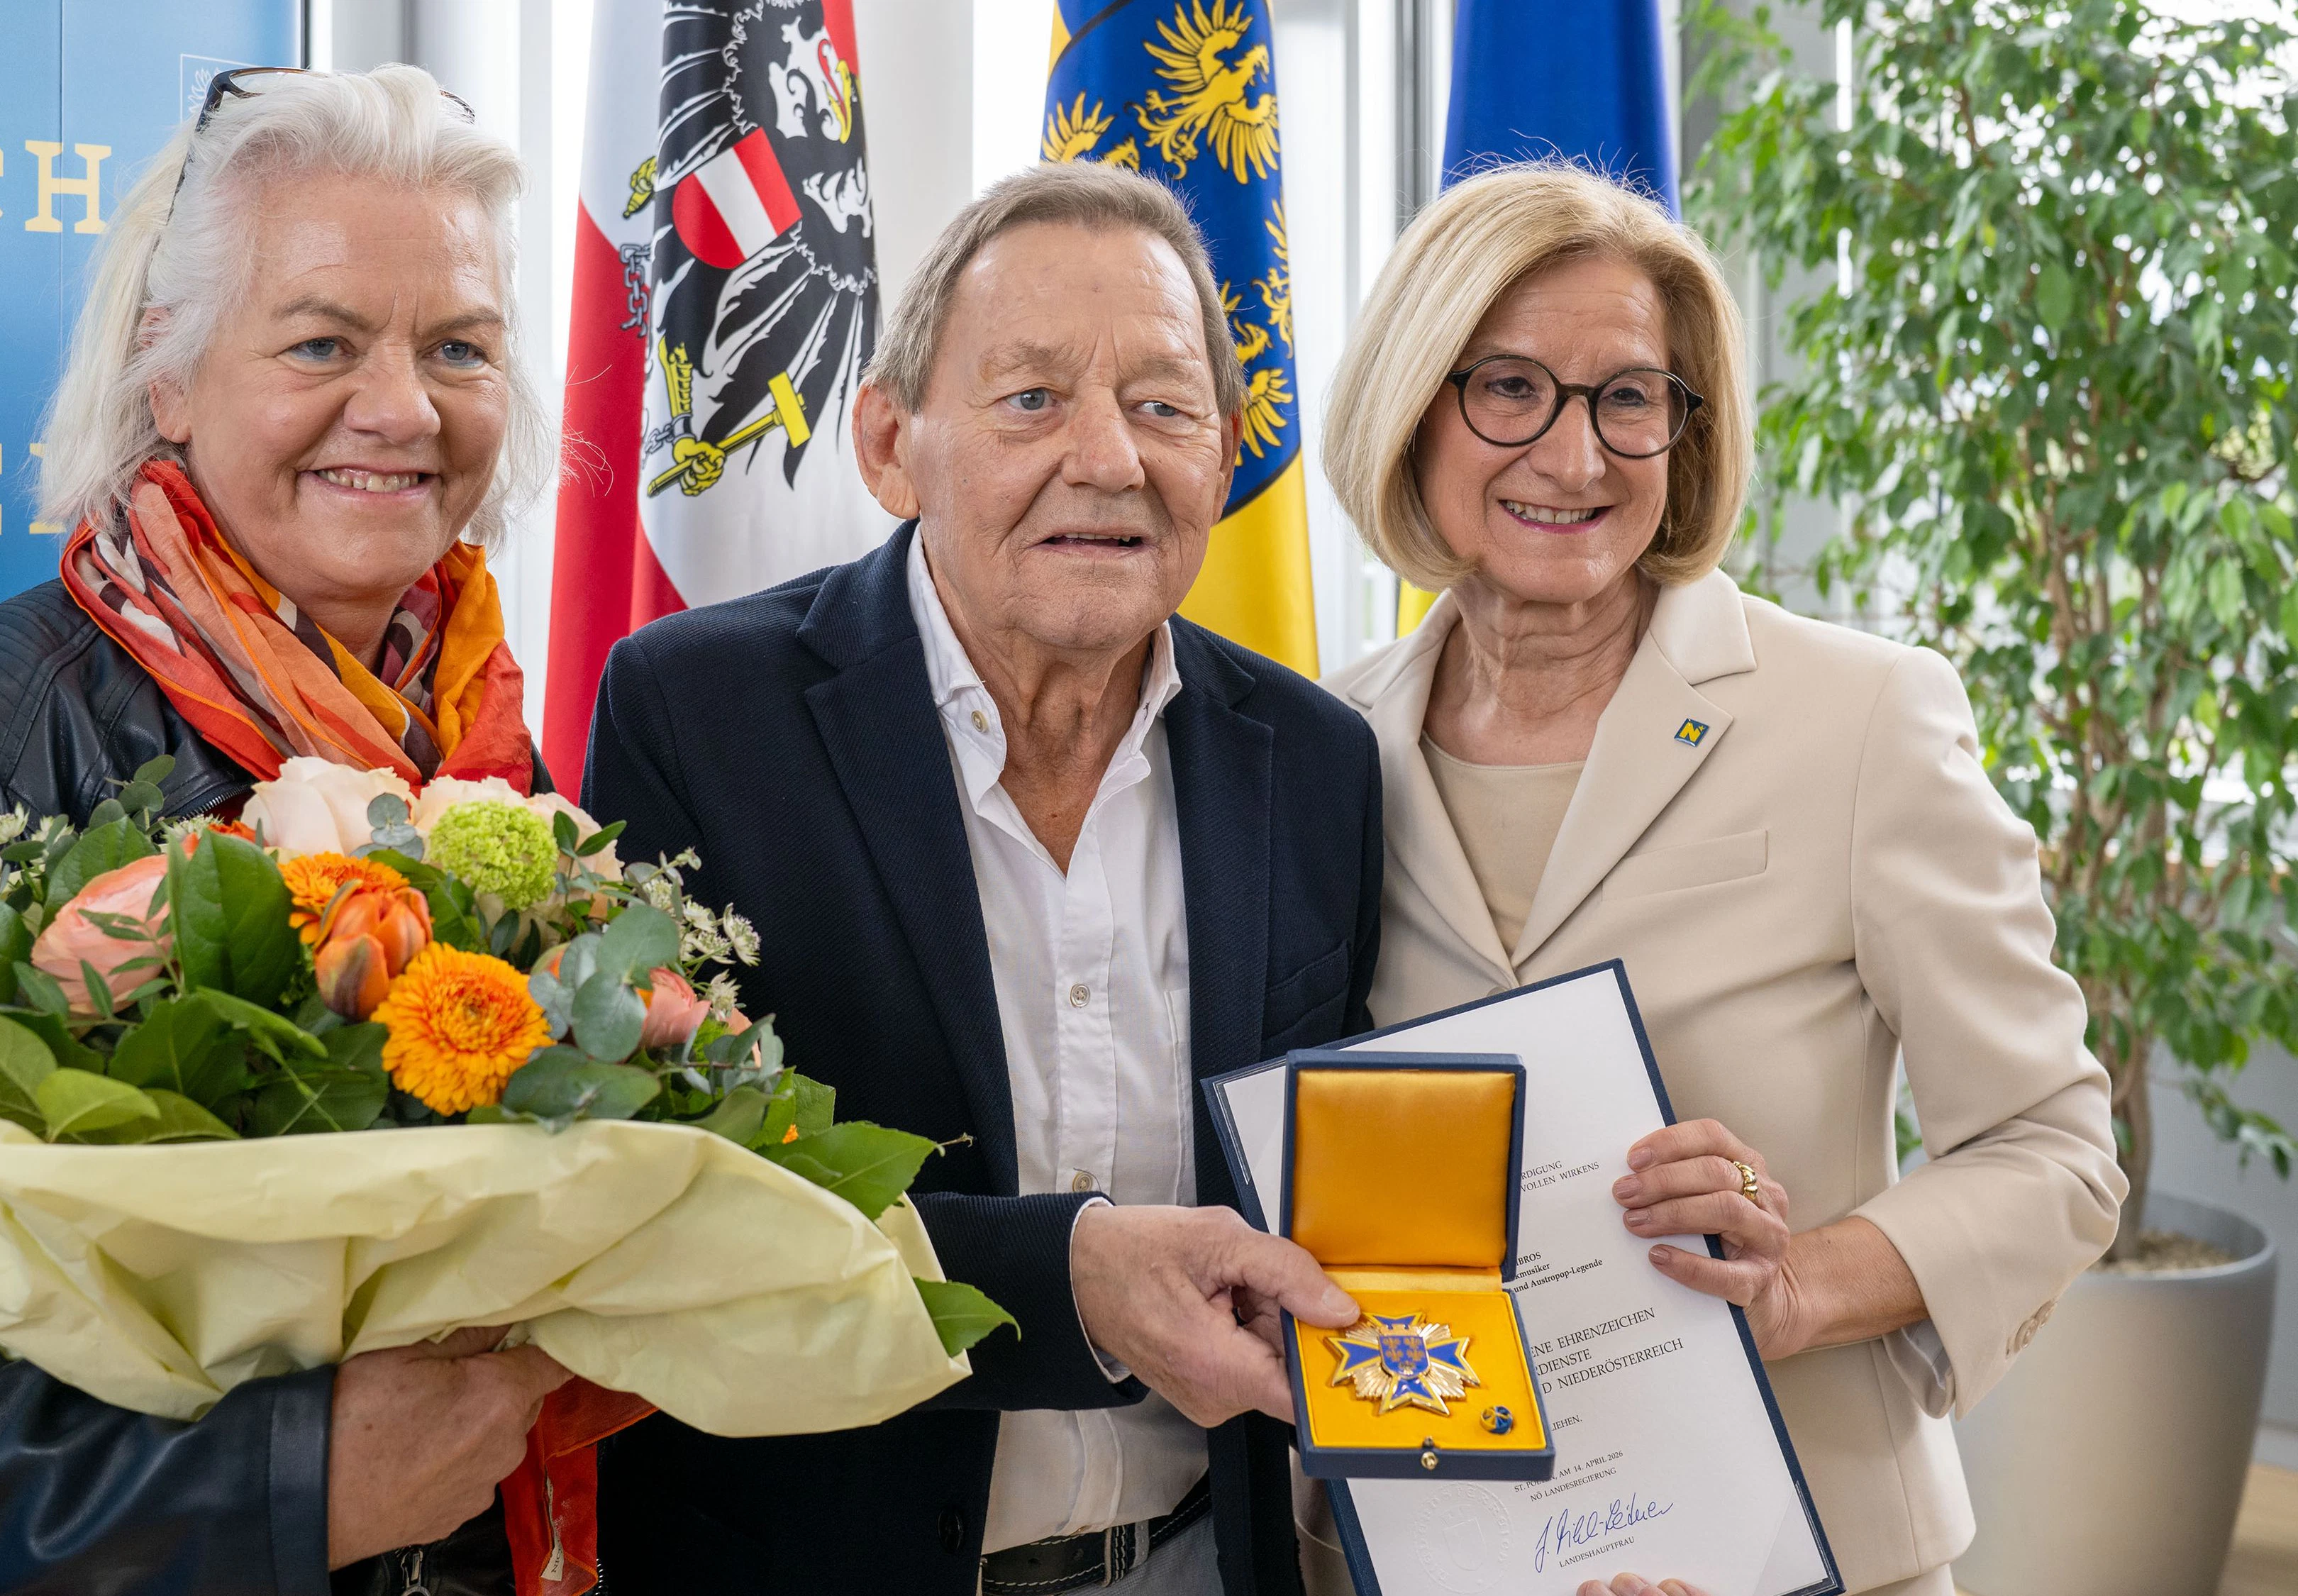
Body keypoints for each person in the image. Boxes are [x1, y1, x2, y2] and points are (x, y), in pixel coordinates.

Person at [0, 65, 569, 1595]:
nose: (402, 408)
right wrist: (297, 1488)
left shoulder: (490, 755)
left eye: (459, 348)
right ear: (165, 378)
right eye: (321, 343)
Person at [1314, 165, 2124, 1596]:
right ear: (1409, 406)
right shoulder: (1321, 745)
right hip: (1429, 1539)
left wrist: (1800, 1281)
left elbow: (2053, 1154)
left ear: (1682, 438)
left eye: (1627, 398)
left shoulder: (1859, 718)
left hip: (1802, 1545)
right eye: (1508, 388)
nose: (1573, 459)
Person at [583, 162, 1383, 1596]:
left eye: (1162, 405)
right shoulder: (698, 716)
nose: (1108, 458)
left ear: (1223, 453)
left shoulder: (1313, 760)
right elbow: (663, 1195)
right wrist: (1069, 1277)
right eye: (1029, 399)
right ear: (890, 445)